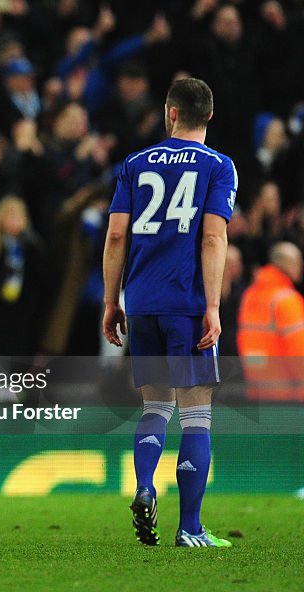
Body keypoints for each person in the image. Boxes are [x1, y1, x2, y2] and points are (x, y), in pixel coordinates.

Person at [102, 78, 236, 548]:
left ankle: (143, 486)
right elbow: (214, 237)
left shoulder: (134, 164)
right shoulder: (219, 166)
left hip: (142, 302)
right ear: (209, 116)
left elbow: (116, 236)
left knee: (155, 406)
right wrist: (214, 306)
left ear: (171, 113)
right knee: (196, 413)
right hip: (188, 304)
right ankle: (190, 528)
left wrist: (110, 301)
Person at [237, 242, 304, 401]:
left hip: (256, 388)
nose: (301, 267)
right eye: (298, 262)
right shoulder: (286, 300)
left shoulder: (250, 295)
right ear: (288, 264)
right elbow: (298, 349)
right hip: (286, 392)